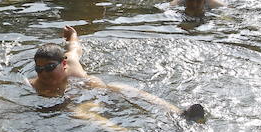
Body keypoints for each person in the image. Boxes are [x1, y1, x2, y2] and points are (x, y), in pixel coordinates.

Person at [28, 25, 205, 121]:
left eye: (50, 67)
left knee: (119, 86)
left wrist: (73, 35)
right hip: (82, 106)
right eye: (39, 69)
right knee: (78, 112)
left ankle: (178, 113)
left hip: (102, 93)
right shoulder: (34, 85)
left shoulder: (72, 63)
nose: (44, 74)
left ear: (63, 63)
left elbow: (74, 47)